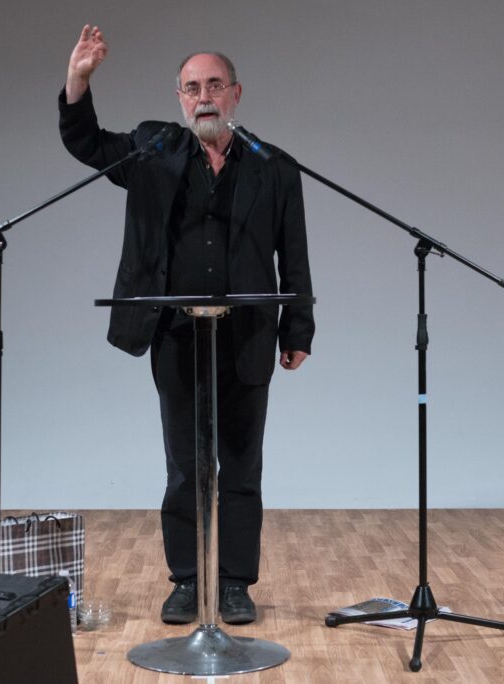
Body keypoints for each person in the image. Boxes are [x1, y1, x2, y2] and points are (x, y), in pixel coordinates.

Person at [59, 25, 314, 625]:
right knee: (185, 467)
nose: (204, 96)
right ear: (179, 97)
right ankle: (186, 579)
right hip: (175, 335)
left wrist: (297, 328)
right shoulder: (152, 151)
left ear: (236, 94)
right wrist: (78, 80)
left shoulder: (275, 168)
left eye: (214, 85)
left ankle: (233, 584)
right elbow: (87, 143)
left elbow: (294, 255)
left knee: (241, 467)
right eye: (192, 86)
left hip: (247, 334)